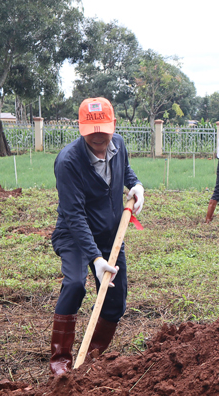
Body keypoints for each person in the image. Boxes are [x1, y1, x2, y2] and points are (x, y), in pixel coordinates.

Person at [49, 97, 145, 376]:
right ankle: (61, 361)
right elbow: (75, 215)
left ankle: (90, 358)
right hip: (75, 235)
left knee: (116, 303)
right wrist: (95, 258)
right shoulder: (68, 162)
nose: (99, 137)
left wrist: (135, 184)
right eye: (92, 132)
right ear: (81, 130)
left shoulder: (120, 144)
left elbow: (124, 169)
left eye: (104, 129)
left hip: (109, 234)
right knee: (76, 284)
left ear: (114, 125)